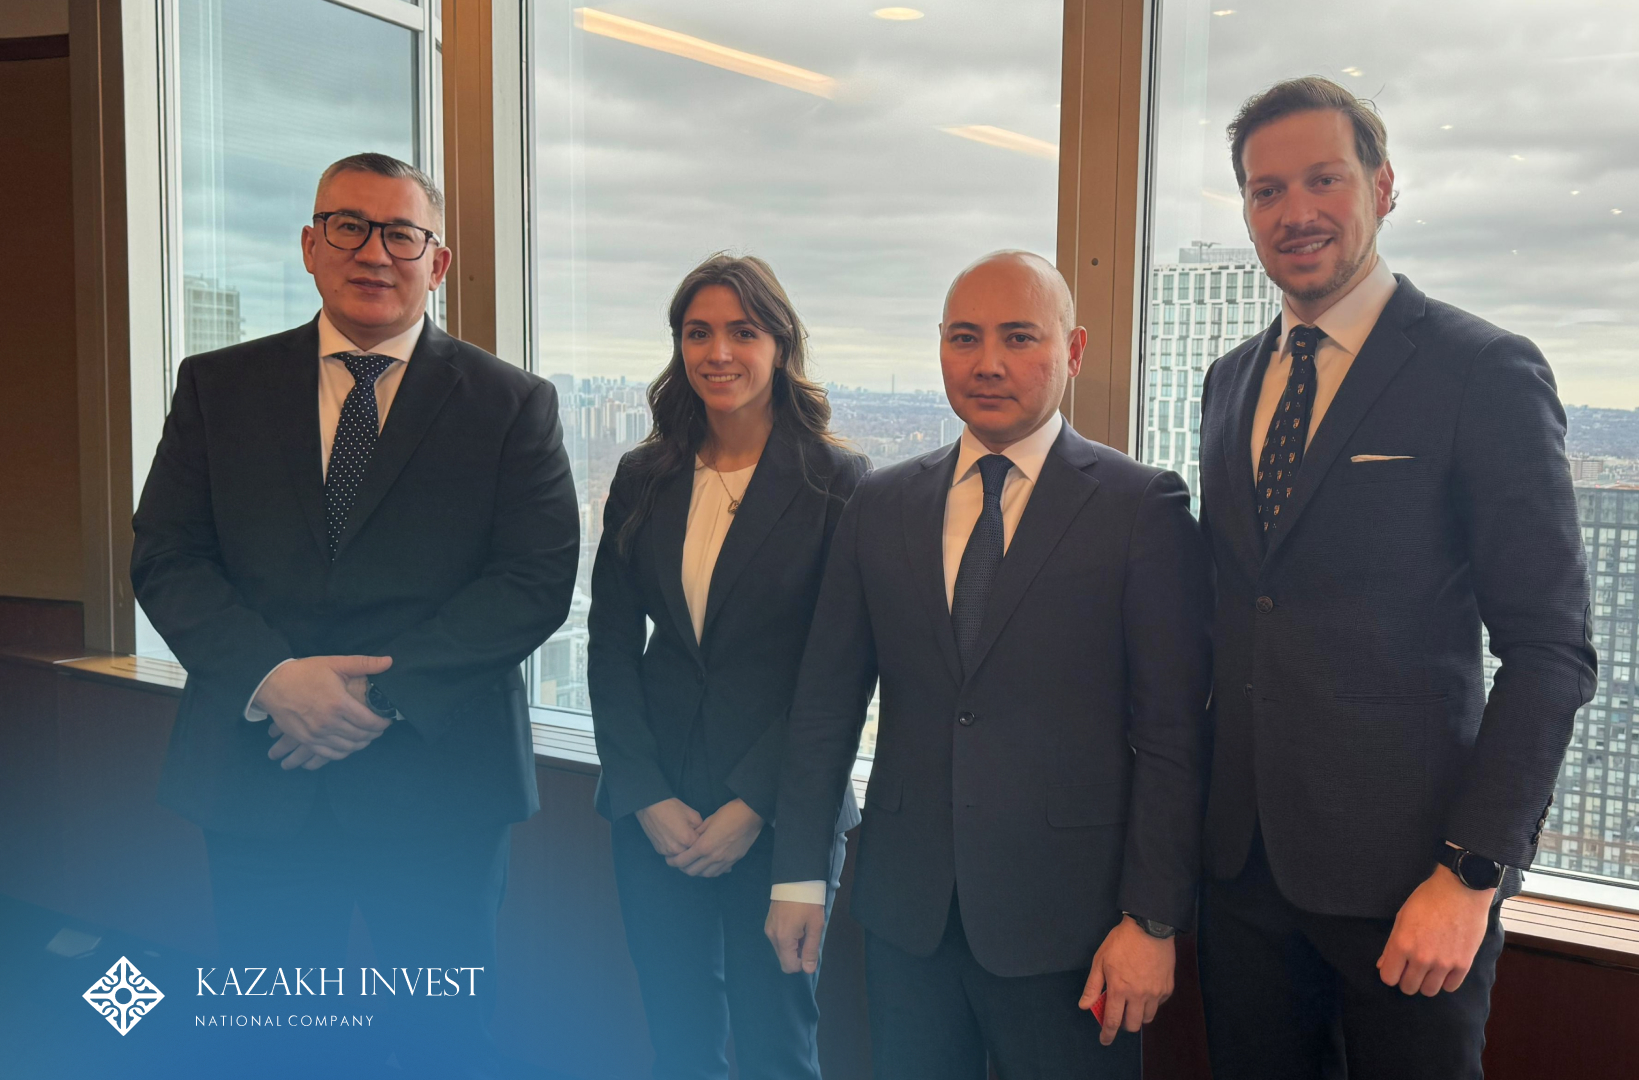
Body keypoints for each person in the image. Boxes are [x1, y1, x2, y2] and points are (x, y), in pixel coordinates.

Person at [130, 152, 579, 1077]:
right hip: (259, 773)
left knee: (445, 1041)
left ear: (437, 262)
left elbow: (534, 580)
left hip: (439, 785)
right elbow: (166, 556)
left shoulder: (511, 403)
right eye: (349, 226)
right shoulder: (217, 386)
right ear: (310, 244)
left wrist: (375, 698)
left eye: (402, 234)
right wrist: (272, 678)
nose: (374, 252)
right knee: (275, 1038)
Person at [1194, 76, 1599, 1079]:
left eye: (1323, 179)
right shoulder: (1229, 381)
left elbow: (1550, 649)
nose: (1295, 211)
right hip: (1242, 878)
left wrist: (1472, 873)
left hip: (1411, 890)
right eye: (1266, 190)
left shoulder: (1482, 371)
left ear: (1382, 187)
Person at [764, 251, 1212, 1080]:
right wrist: (796, 873)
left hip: (1074, 927)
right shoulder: (881, 502)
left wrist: (1151, 920)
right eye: (965, 338)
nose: (988, 363)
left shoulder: (1139, 507)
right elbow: (825, 704)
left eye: (1019, 337)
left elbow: (1173, 735)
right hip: (906, 915)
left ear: (1073, 350)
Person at [587, 254, 866, 1080]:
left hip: (782, 814)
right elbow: (610, 645)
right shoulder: (645, 475)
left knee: (779, 1047)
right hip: (658, 810)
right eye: (697, 332)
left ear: (780, 344)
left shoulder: (837, 482)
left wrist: (753, 805)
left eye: (743, 332)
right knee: (679, 1042)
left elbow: (837, 674)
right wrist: (645, 793)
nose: (718, 352)